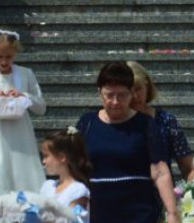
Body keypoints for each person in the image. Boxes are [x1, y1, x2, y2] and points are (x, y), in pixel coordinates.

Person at [74, 61, 179, 223]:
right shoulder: (87, 123)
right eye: (109, 95)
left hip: (138, 214)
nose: (115, 102)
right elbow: (75, 170)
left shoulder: (146, 124)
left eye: (122, 95)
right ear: (100, 93)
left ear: (131, 93)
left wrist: (172, 213)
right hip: (97, 212)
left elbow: (160, 171)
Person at [0, 30, 47, 194]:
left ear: (15, 53)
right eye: (0, 57)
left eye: (9, 57)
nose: (4, 61)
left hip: (20, 131)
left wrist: (24, 95)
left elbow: (41, 108)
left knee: (24, 172)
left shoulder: (26, 73)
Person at [127, 61, 194, 181]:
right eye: (129, 91)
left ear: (147, 86)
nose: (135, 96)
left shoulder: (166, 121)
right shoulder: (113, 123)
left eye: (138, 89)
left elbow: (188, 167)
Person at [39, 129, 92, 214]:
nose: (44, 161)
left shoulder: (78, 190)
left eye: (46, 156)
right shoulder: (48, 186)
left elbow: (72, 218)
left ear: (61, 157)